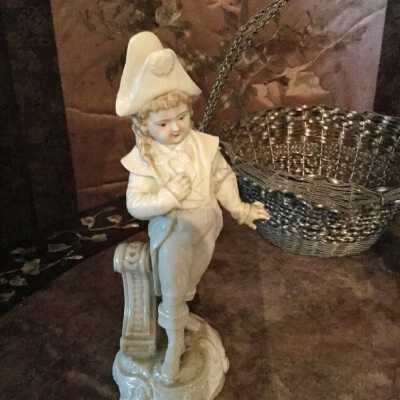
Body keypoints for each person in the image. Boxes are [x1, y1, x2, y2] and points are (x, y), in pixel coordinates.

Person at [116, 31, 269, 384]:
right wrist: (168, 197)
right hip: (173, 233)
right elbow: (135, 204)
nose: (175, 128)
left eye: (182, 117)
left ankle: (180, 320)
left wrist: (239, 209)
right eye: (163, 123)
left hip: (207, 228)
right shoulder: (145, 159)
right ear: (144, 126)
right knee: (172, 291)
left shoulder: (203, 145)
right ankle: (173, 349)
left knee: (187, 287)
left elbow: (222, 177)